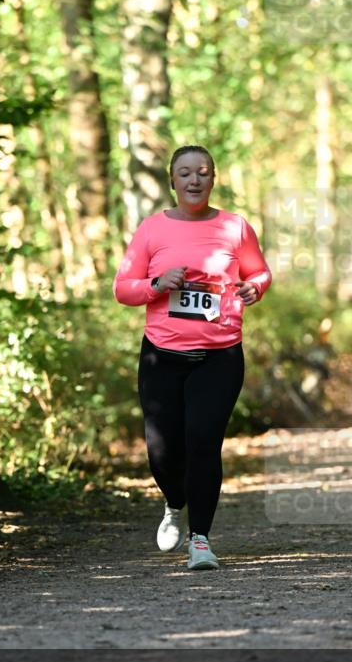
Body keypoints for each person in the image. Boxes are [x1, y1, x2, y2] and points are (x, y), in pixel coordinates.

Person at [113, 145, 272, 570]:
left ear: (213, 178)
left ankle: (200, 538)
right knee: (161, 451)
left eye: (202, 172)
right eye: (185, 173)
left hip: (219, 355)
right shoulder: (152, 229)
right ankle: (173, 503)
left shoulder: (235, 227)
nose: (194, 180)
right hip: (161, 356)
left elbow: (259, 271)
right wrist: (157, 283)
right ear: (172, 181)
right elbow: (123, 288)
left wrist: (256, 287)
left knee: (203, 442)